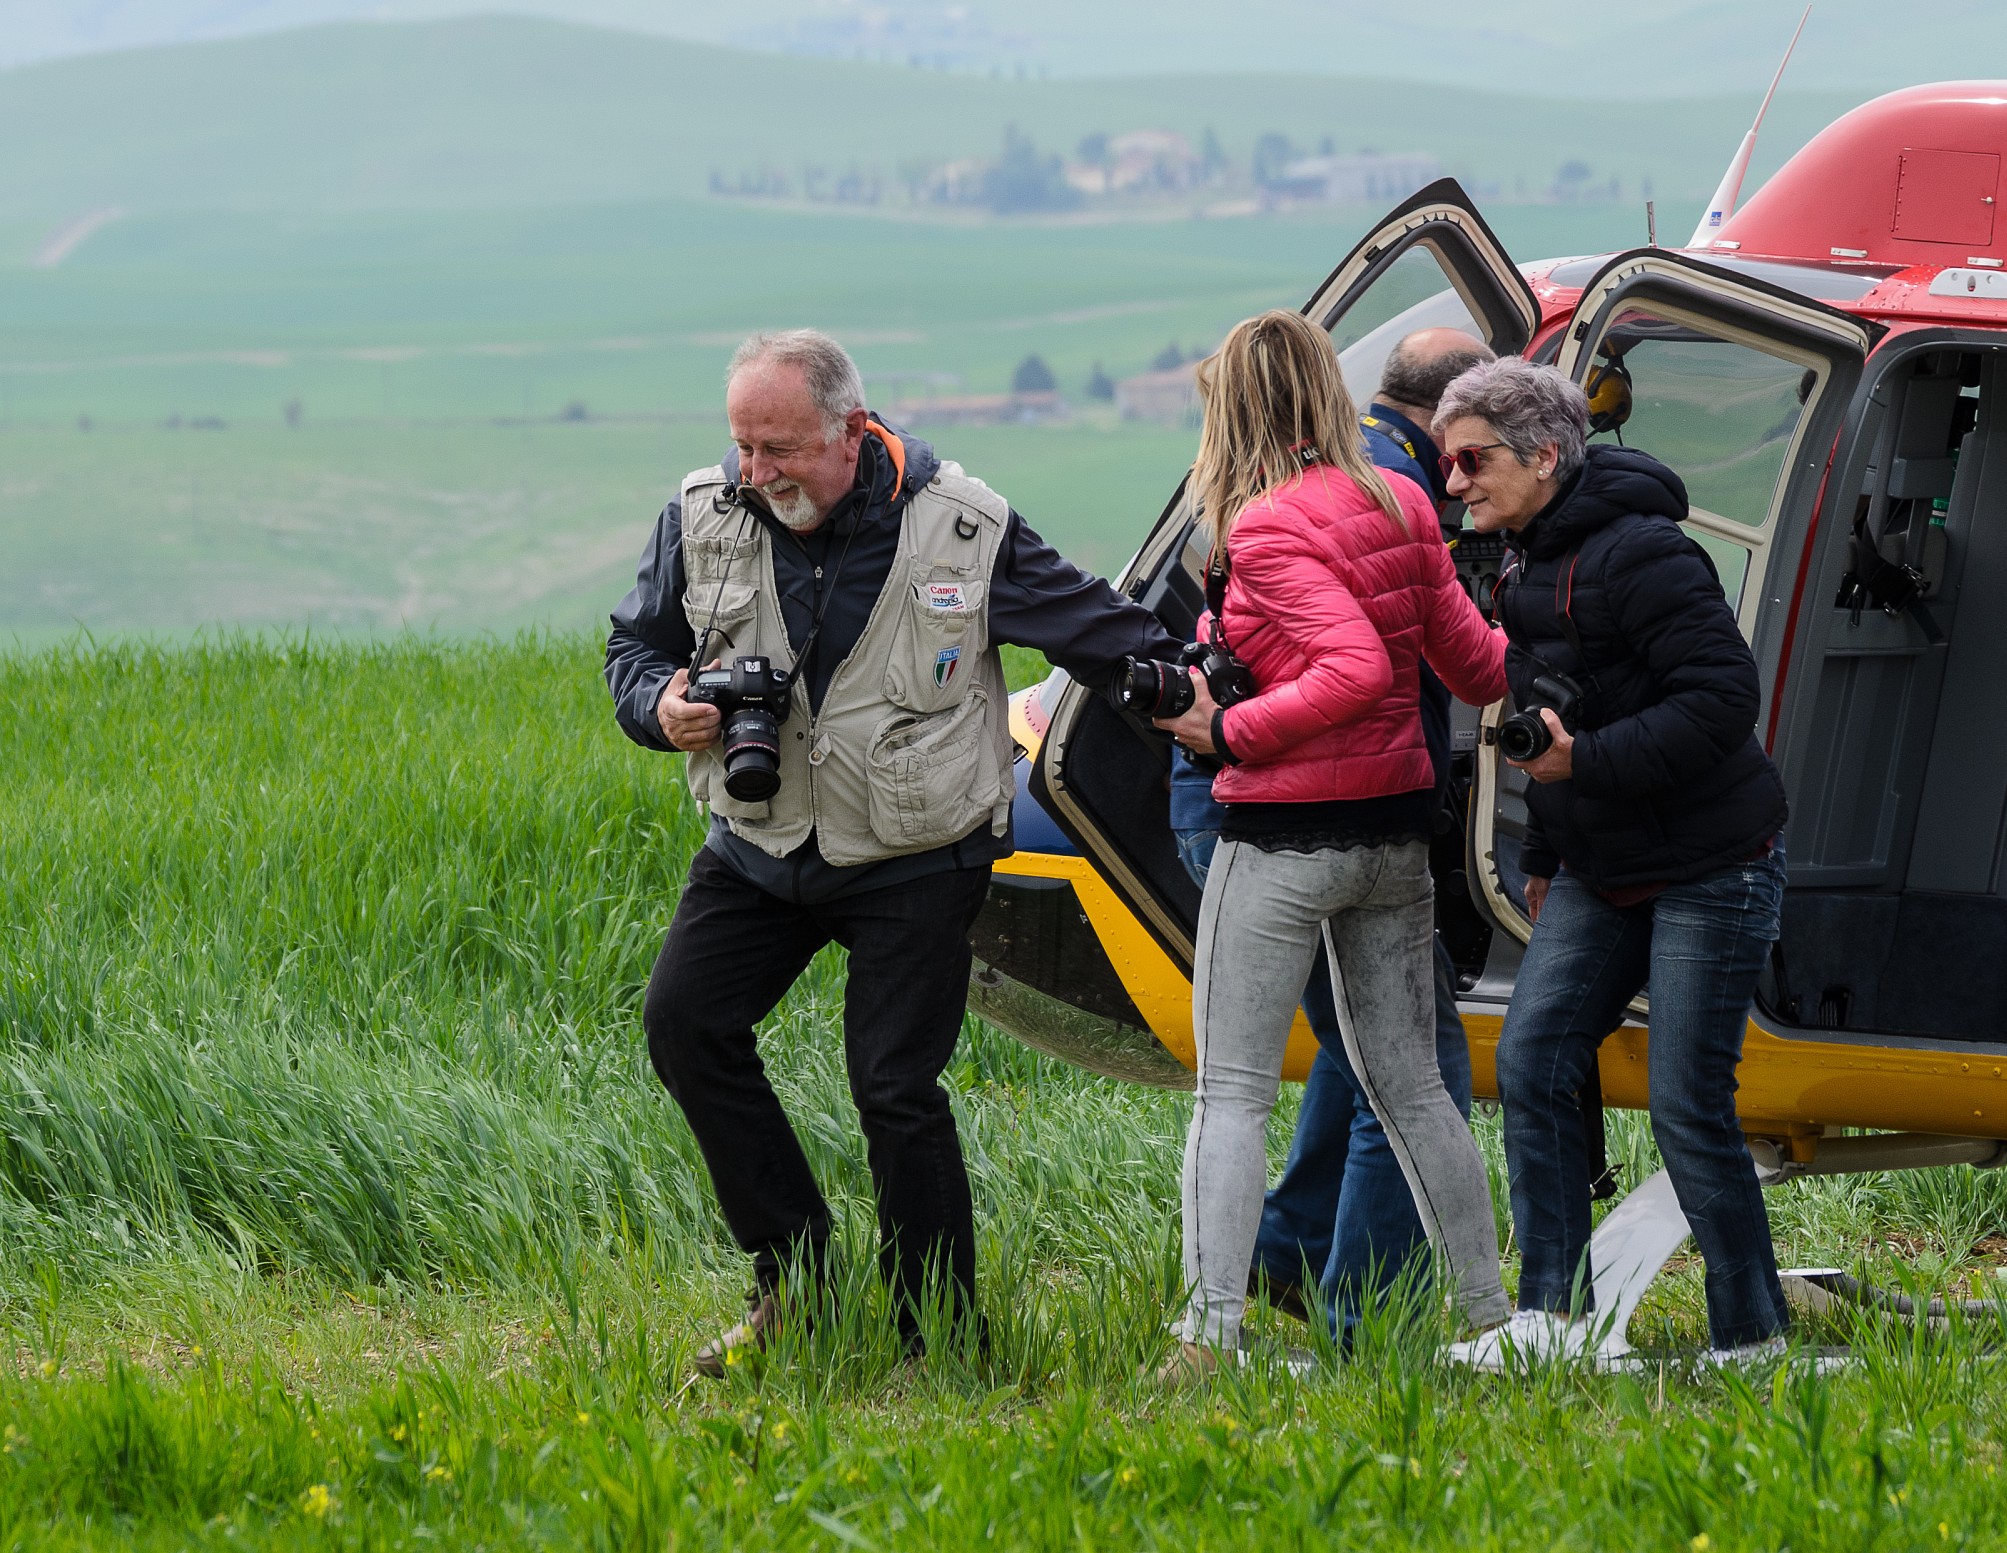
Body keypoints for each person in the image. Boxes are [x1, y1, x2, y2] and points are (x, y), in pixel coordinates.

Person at [603, 329, 1181, 1376]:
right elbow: (632, 647)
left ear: (849, 430)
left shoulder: (966, 526)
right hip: (762, 838)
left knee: (892, 1084)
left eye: (777, 448)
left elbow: (1105, 632)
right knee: (684, 1022)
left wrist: (1211, 686)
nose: (754, 471)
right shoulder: (702, 513)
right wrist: (663, 702)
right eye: (742, 445)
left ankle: (940, 1339)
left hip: (918, 851)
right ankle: (800, 1279)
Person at [1147, 310, 1513, 1377]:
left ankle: (1208, 1336)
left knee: (1233, 1093)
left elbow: (1345, 667)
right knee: (1413, 1086)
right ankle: (1491, 1316)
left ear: (1238, 411)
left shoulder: (1258, 526)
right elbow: (1480, 669)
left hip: (1280, 842)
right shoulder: (1402, 498)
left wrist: (1227, 728)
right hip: (1394, 839)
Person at [1430, 358, 1792, 1369]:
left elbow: (1725, 699)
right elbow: (1554, 701)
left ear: (1545, 455)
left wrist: (1586, 760)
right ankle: (1552, 1317)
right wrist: (1547, 844)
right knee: (1538, 1056)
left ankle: (1752, 1331)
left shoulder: (1645, 555)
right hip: (1601, 856)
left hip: (1716, 860)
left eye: (1473, 458)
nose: (1455, 481)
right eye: (1448, 460)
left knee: (1685, 1099)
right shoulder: (1521, 557)